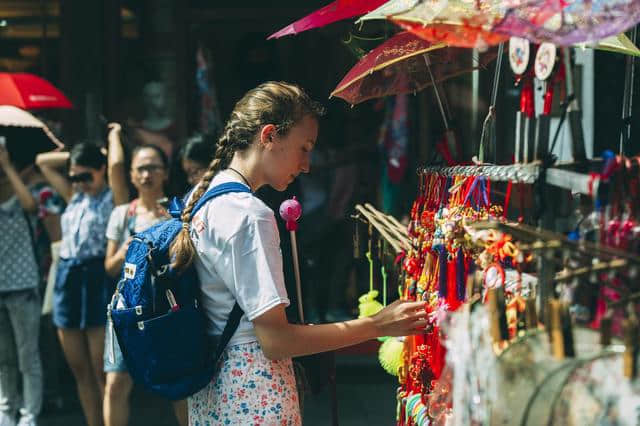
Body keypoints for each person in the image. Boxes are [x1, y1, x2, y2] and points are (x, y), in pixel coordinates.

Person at [170, 82, 428, 424]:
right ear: (269, 136)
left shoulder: (205, 201)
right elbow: (275, 340)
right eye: (303, 148)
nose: (307, 164)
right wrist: (375, 324)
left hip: (215, 392)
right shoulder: (249, 215)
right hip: (252, 393)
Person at [102, 124, 187, 426]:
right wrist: (128, 249)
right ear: (132, 175)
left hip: (165, 311)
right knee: (115, 385)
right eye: (140, 169)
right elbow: (109, 267)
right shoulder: (122, 214)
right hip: (126, 312)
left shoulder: (178, 213)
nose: (147, 174)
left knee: (179, 385)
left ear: (165, 172)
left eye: (153, 167)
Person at [36, 142, 121, 426]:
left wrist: (106, 155)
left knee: (101, 369)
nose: (80, 183)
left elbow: (118, 170)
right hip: (68, 277)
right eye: (75, 177)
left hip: (97, 277)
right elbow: (43, 162)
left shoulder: (113, 198)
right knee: (79, 368)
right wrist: (74, 159)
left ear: (102, 170)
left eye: (87, 176)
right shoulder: (73, 194)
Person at [0, 144, 63, 426]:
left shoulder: (25, 190)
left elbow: (28, 206)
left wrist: (7, 166)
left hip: (23, 284)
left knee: (28, 355)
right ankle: (6, 409)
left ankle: (29, 414)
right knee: (4, 358)